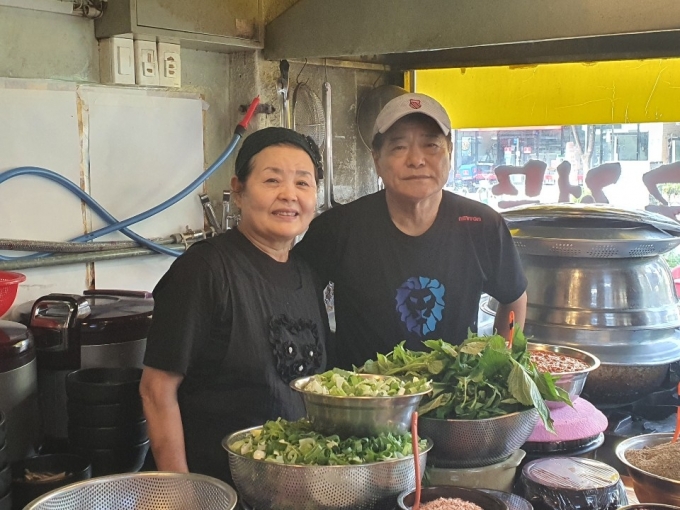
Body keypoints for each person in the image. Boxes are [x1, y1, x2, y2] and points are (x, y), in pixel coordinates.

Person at [140, 128, 330, 483]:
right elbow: (156, 389)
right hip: (214, 487)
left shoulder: (307, 274)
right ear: (239, 192)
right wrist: (182, 494)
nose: (289, 195)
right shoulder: (205, 270)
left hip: (288, 490)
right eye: (272, 180)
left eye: (303, 184)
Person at [294, 93, 527, 369]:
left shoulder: (481, 225)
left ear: (449, 153)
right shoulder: (340, 227)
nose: (417, 160)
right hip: (364, 399)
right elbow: (292, 296)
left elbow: (513, 298)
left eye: (431, 145)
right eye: (399, 147)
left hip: (452, 397)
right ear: (376, 160)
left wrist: (498, 367)